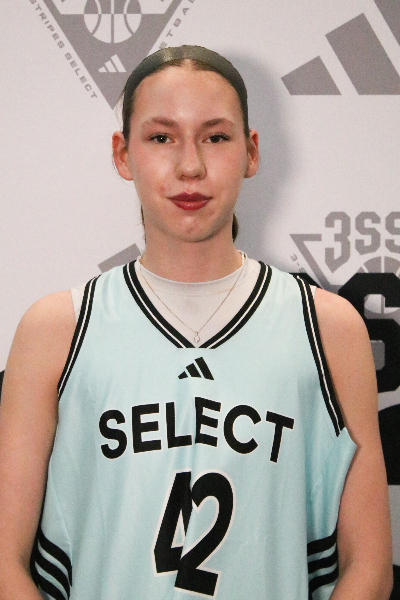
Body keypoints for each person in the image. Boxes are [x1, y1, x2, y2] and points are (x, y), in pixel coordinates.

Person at [0, 45, 392, 600]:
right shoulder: (56, 330)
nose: (190, 166)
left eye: (216, 137)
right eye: (162, 137)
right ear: (122, 154)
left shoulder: (328, 329)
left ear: (251, 152)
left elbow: (368, 569)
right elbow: (4, 563)